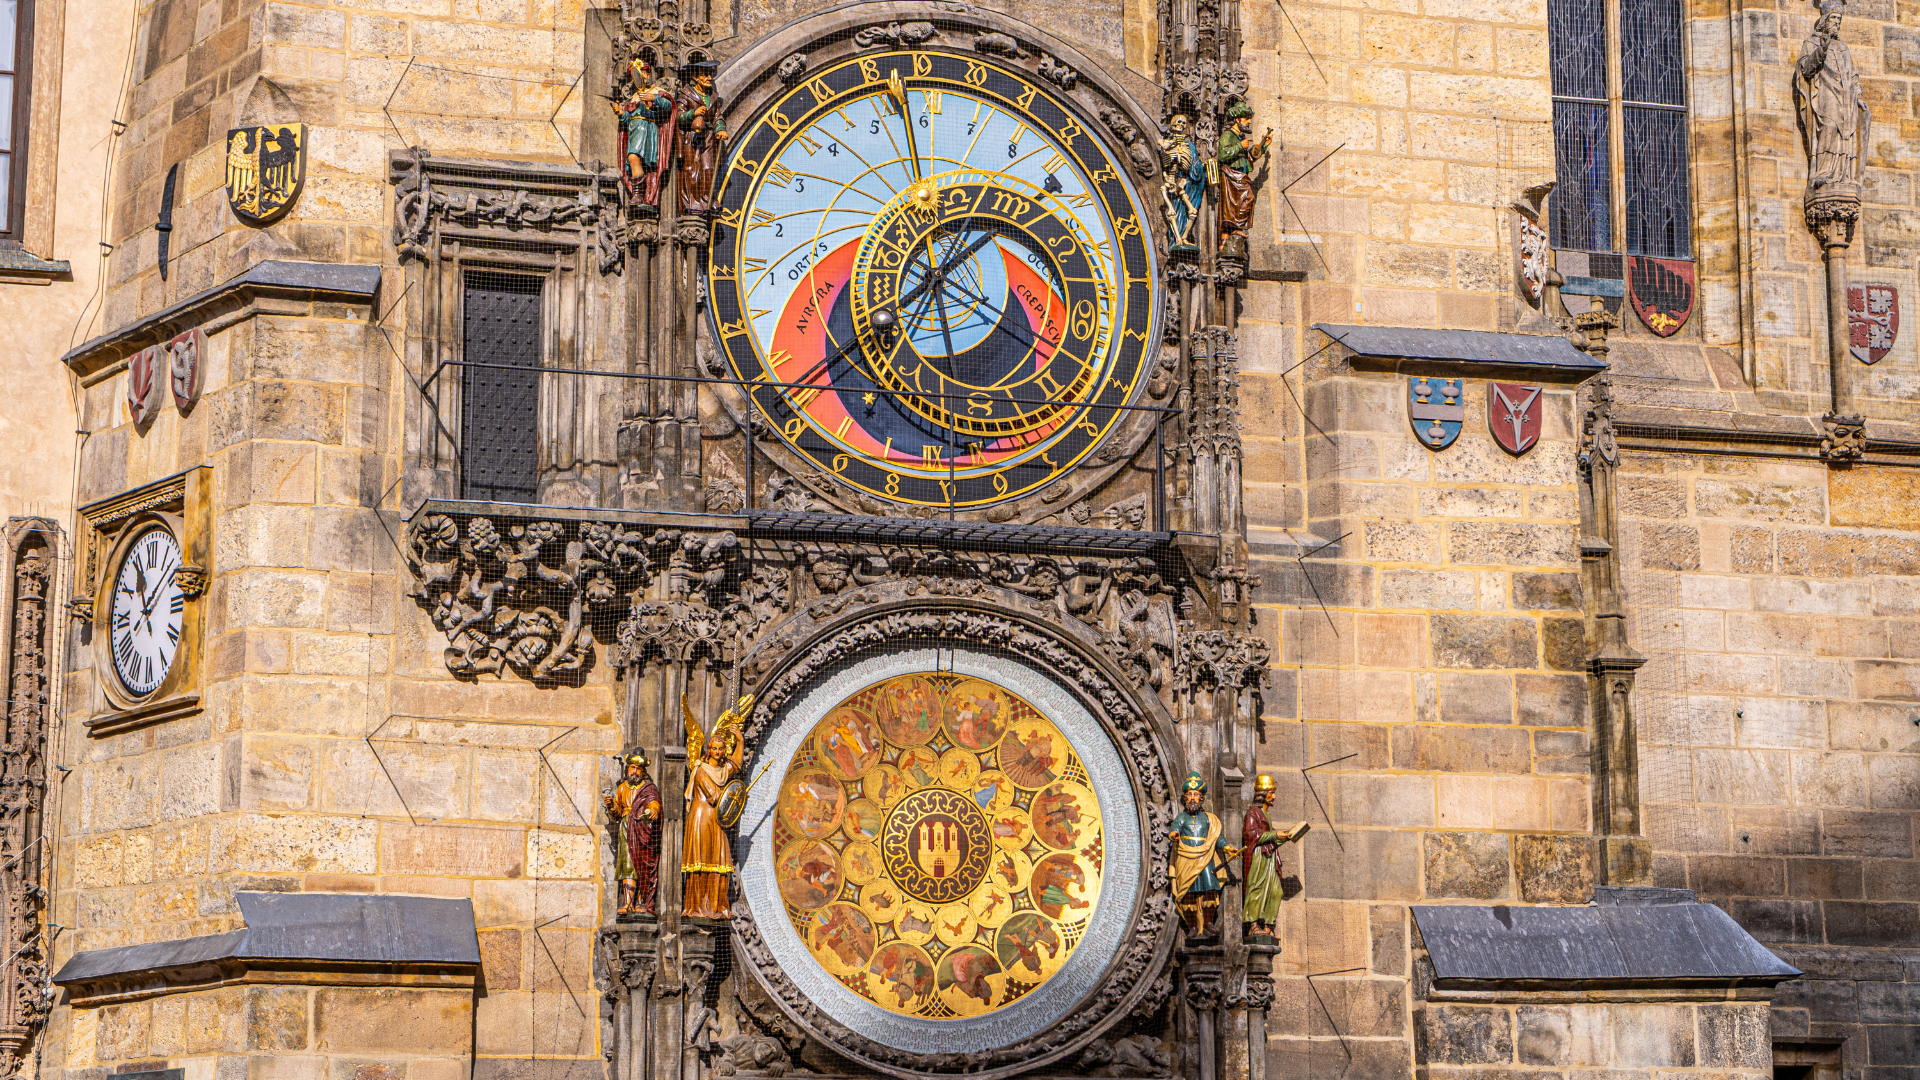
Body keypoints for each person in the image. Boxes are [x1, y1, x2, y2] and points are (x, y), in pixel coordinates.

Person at [683, 693, 753, 919]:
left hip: (717, 820)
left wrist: (739, 740)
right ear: (708, 750)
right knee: (701, 860)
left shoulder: (723, 770)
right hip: (702, 818)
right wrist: (735, 796)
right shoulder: (701, 770)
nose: (718, 752)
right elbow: (714, 796)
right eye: (714, 748)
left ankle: (717, 906)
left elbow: (736, 764)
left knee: (719, 861)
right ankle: (697, 906)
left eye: (721, 749)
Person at [1170, 771, 1238, 939]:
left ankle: (1208, 922)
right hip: (1186, 857)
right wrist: (1174, 835)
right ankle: (1192, 926)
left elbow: (1216, 837)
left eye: (1196, 795)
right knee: (1188, 892)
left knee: (1210, 889)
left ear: (1201, 798)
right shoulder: (1182, 817)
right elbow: (1174, 830)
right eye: (1190, 795)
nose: (1193, 798)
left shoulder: (1208, 819)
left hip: (1205, 857)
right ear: (1185, 798)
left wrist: (1227, 848)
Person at [1242, 774, 1308, 941]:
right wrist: (1275, 834)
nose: (1274, 796)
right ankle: (1253, 925)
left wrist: (1286, 836)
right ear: (1263, 794)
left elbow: (1270, 838)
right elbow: (1250, 835)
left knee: (1276, 891)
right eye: (1271, 793)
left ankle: (1267, 925)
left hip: (1269, 856)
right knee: (1257, 889)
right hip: (1259, 857)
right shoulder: (1253, 813)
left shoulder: (1265, 813)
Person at [605, 751, 662, 915]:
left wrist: (654, 809)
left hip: (643, 829)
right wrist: (611, 806)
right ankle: (628, 903)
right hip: (626, 829)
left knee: (642, 865)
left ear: (642, 771)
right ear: (627, 769)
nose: (635, 771)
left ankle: (642, 902)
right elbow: (616, 815)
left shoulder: (648, 788)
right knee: (628, 865)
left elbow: (654, 801)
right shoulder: (622, 788)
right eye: (632, 767)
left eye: (638, 768)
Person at [613, 59, 673, 209]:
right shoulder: (634, 97)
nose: (640, 77)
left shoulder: (656, 91)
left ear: (647, 74)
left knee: (634, 158)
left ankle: (639, 194)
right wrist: (621, 113)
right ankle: (639, 194)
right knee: (633, 160)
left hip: (646, 128)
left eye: (642, 74)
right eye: (635, 76)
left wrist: (655, 98)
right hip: (634, 129)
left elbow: (669, 106)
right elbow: (628, 119)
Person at [674, 62, 729, 216]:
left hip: (708, 137)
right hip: (692, 137)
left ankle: (708, 200)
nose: (709, 78)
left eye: (710, 74)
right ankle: (694, 202)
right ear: (695, 77)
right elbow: (679, 117)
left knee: (708, 168)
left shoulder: (712, 97)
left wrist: (720, 129)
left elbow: (717, 117)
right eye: (705, 75)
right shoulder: (686, 95)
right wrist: (693, 113)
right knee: (693, 169)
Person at [1216, 102, 1273, 242]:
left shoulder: (1239, 137)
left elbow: (1248, 158)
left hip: (1240, 176)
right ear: (1237, 119)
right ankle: (1226, 234)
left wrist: (1263, 146)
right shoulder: (1228, 135)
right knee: (1233, 205)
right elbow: (1222, 154)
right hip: (1231, 175)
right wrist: (1240, 146)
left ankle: (1233, 230)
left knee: (1245, 200)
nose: (1249, 122)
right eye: (1246, 119)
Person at [1159, 113, 1207, 247]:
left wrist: (1203, 166)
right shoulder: (1167, 143)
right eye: (1178, 122)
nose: (1181, 125)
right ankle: (1177, 239)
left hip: (1186, 182)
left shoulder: (1189, 145)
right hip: (1173, 181)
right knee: (1176, 209)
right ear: (1172, 124)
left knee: (1192, 210)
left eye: (1183, 123)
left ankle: (1184, 237)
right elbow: (1165, 161)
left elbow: (1195, 164)